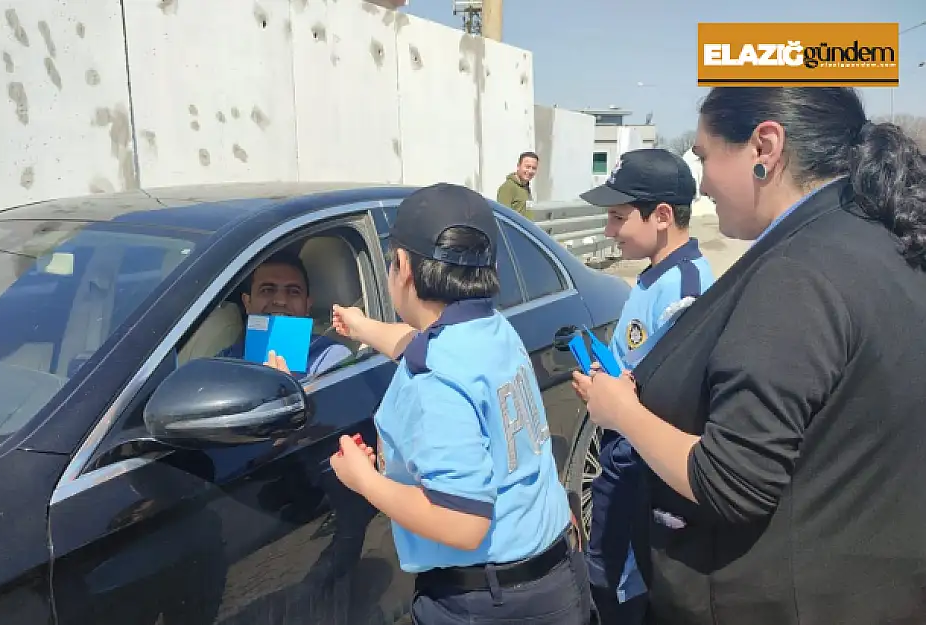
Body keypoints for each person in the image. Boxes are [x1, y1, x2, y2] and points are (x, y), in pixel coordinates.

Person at [572, 87, 926, 625]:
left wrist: (621, 412)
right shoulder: (876, 237)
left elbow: (730, 481)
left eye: (707, 156)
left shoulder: (799, 275)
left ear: (765, 147)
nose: (704, 181)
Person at [328, 182, 596, 625]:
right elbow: (420, 343)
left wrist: (362, 480)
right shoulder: (492, 329)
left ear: (402, 267)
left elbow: (461, 523)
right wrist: (363, 327)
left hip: (489, 604)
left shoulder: (434, 380)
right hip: (553, 578)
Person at [575, 148, 715, 625]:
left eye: (617, 217)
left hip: (643, 471)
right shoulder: (656, 278)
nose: (609, 230)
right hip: (625, 455)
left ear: (660, 216)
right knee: (606, 575)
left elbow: (682, 402)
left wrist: (618, 403)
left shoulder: (685, 290)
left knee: (622, 589)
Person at [217, 250, 351, 379]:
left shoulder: (330, 357)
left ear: (307, 305)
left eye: (293, 291)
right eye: (267, 290)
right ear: (247, 303)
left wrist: (286, 392)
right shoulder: (228, 360)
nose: (280, 301)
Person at [496, 151, 539, 216]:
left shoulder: (526, 187)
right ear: (518, 166)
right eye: (527, 167)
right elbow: (503, 217)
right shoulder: (507, 187)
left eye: (534, 168)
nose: (530, 171)